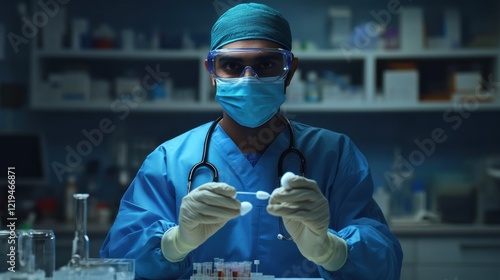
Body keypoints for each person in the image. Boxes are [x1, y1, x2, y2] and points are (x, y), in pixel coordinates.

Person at [100, 3, 403, 279]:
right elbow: (118, 261)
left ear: (290, 71)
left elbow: (384, 262)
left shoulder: (334, 154)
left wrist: (332, 250)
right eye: (231, 65)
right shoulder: (169, 160)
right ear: (211, 72)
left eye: (266, 64)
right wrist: (174, 243)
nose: (249, 78)